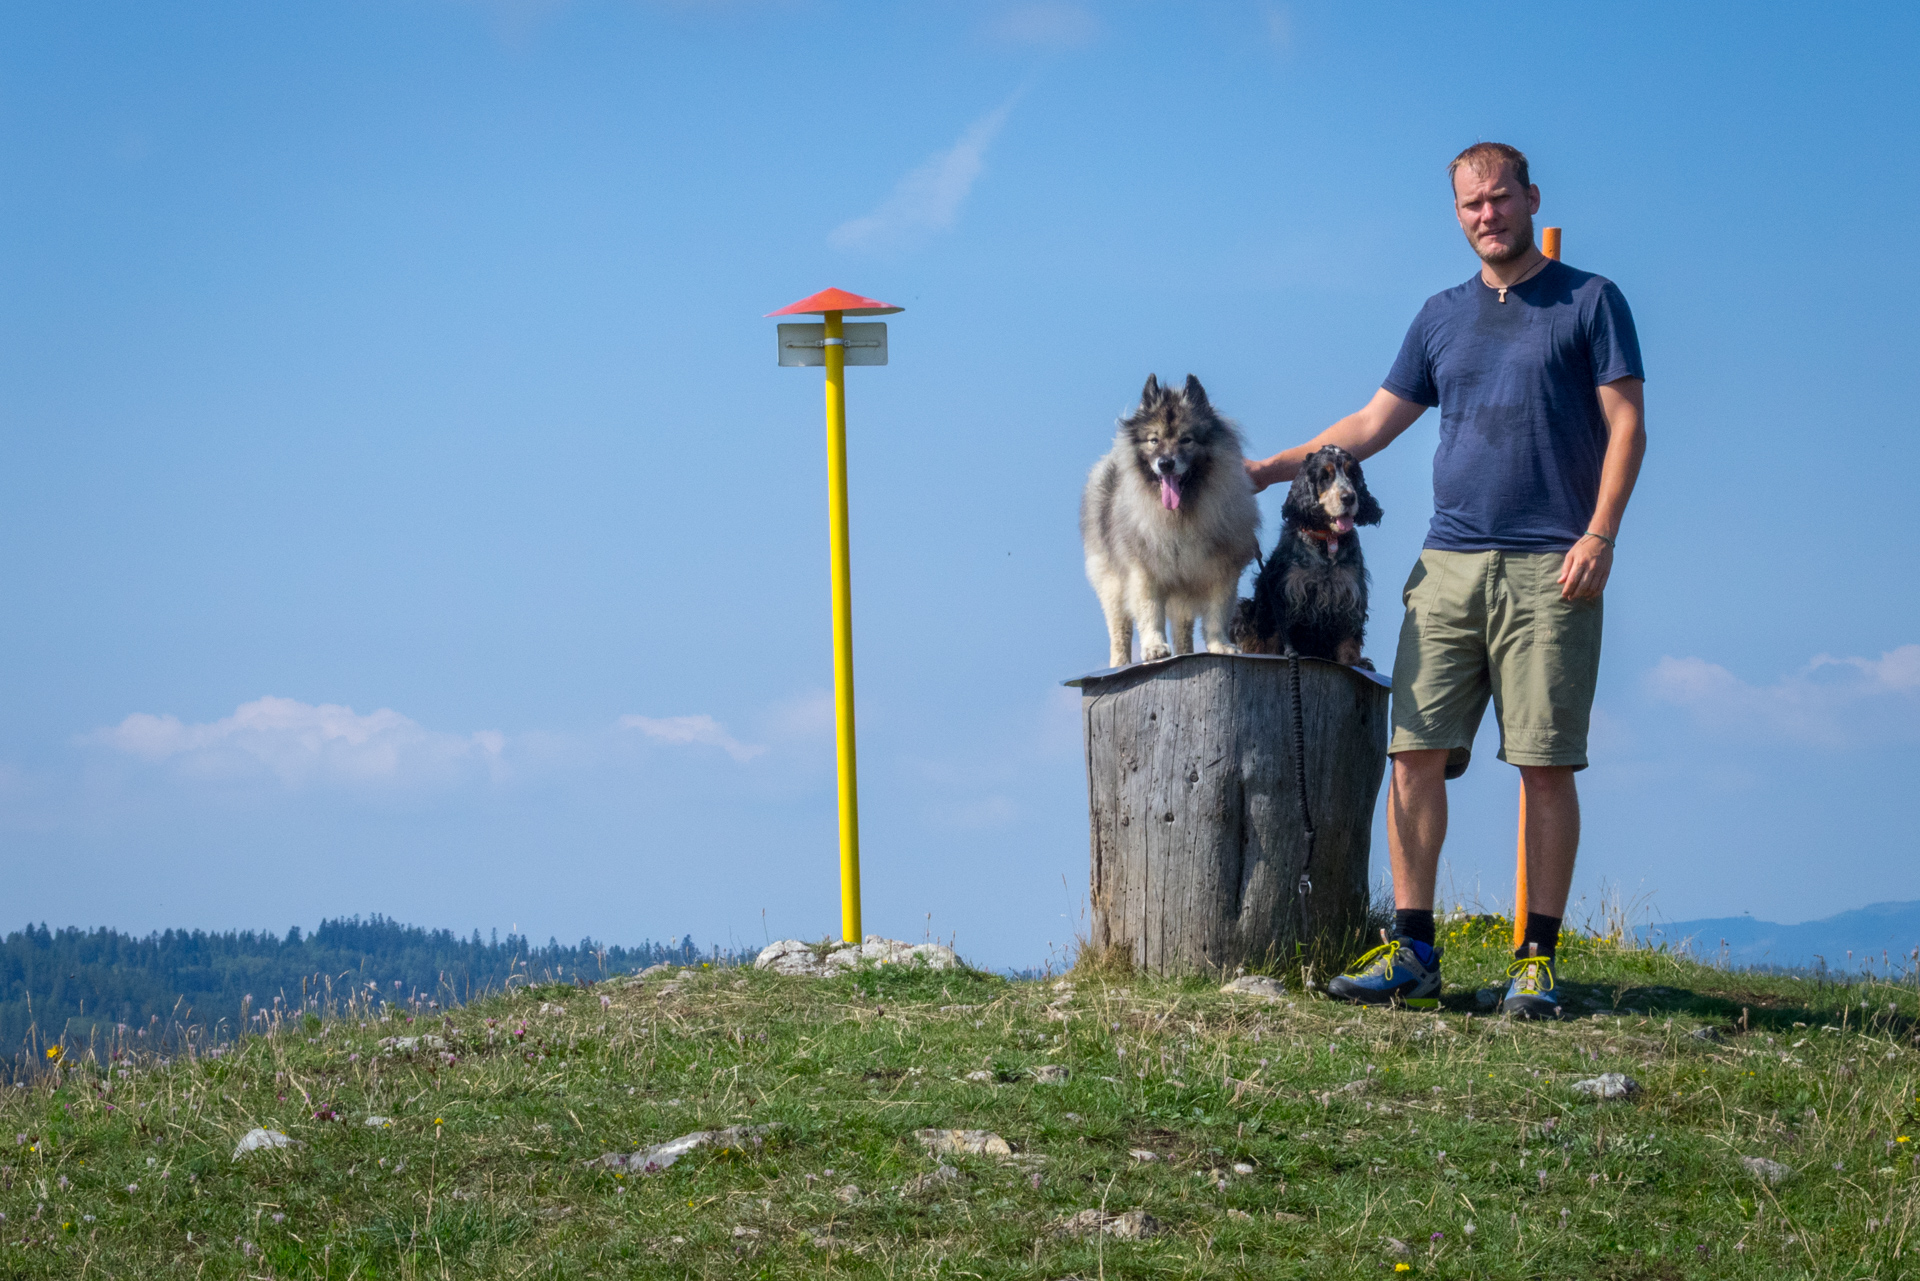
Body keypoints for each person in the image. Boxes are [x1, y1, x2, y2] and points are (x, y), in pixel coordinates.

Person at [1244, 142, 1646, 1018]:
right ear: (1456, 214)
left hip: (1554, 563)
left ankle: (1535, 961)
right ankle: (1414, 951)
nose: (1486, 215)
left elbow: (1627, 428)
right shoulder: (1438, 317)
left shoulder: (1591, 301)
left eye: (1499, 198)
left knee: (1544, 762)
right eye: (1470, 205)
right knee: (1412, 750)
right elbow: (1370, 423)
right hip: (1448, 560)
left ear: (1531, 197)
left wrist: (1600, 534)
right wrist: (1272, 468)